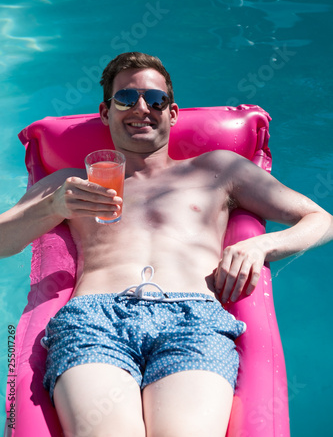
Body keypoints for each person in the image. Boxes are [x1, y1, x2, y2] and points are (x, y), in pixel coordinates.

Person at [1, 52, 332, 437]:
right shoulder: (71, 182)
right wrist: (51, 208)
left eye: (154, 100)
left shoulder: (218, 169)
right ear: (105, 112)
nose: (141, 108)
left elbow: (321, 220)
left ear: (172, 113)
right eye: (125, 98)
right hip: (96, 320)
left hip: (193, 320)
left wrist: (262, 246)